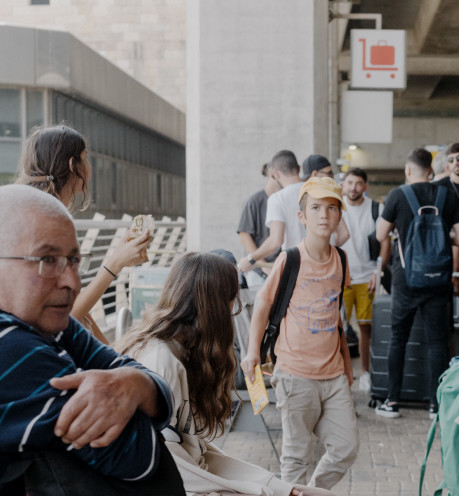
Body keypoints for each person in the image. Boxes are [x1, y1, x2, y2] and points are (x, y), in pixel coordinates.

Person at [0, 184, 181, 494]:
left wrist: (135, 384)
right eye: (47, 260)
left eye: (73, 260)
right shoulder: (10, 345)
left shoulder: (51, 323)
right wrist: (142, 391)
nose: (72, 281)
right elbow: (140, 457)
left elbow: (154, 389)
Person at [118, 253, 332, 496]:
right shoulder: (161, 360)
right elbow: (163, 462)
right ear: (215, 307)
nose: (233, 311)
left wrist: (274, 486)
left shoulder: (185, 351)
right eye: (232, 301)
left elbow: (194, 449)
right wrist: (256, 490)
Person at [241, 177, 358, 490]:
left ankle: (308, 492)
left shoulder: (342, 260)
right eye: (316, 208)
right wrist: (252, 351)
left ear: (339, 216)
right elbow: (263, 305)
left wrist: (347, 362)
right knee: (296, 455)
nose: (324, 215)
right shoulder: (290, 258)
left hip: (333, 376)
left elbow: (336, 318)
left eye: (331, 208)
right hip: (295, 375)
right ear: (302, 217)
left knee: (346, 448)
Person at [16, 124, 152, 345]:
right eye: (85, 158)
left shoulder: (33, 212)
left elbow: (73, 303)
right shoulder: (48, 219)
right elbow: (67, 314)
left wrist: (113, 355)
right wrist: (115, 264)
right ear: (73, 165)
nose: (89, 167)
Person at [373, 148, 459, 419]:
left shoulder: (397, 195)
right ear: (431, 169)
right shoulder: (447, 195)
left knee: (398, 338)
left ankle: (392, 401)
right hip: (438, 279)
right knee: (437, 342)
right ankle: (434, 405)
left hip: (405, 280)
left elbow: (381, 234)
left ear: (407, 170)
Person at [237, 152, 349, 274]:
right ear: (299, 168)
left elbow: (275, 241)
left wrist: (251, 259)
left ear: (275, 174)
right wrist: (327, 247)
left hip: (297, 271)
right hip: (328, 267)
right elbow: (344, 234)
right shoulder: (319, 192)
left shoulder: (278, 198)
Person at [340, 168, 390, 391]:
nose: (353, 188)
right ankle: (340, 375)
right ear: (343, 184)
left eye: (358, 183)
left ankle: (366, 373)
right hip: (342, 277)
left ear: (365, 186)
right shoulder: (336, 206)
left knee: (366, 328)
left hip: (367, 276)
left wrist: (377, 271)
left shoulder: (376, 208)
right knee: (336, 329)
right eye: (349, 182)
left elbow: (386, 242)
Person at [238, 162, 283, 288]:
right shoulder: (254, 201)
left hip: (279, 268)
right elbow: (244, 235)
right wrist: (262, 264)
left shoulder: (282, 200)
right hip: (258, 271)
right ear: (272, 174)